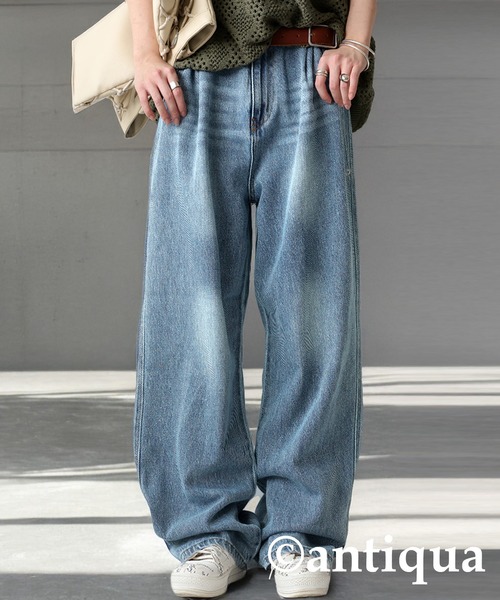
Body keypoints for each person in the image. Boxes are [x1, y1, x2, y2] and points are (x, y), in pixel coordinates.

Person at [127, 0, 377, 597]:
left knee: (314, 315)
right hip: (197, 72)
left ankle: (300, 531)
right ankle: (204, 531)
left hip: (311, 67)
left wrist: (357, 43)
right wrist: (144, 52)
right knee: (190, 314)